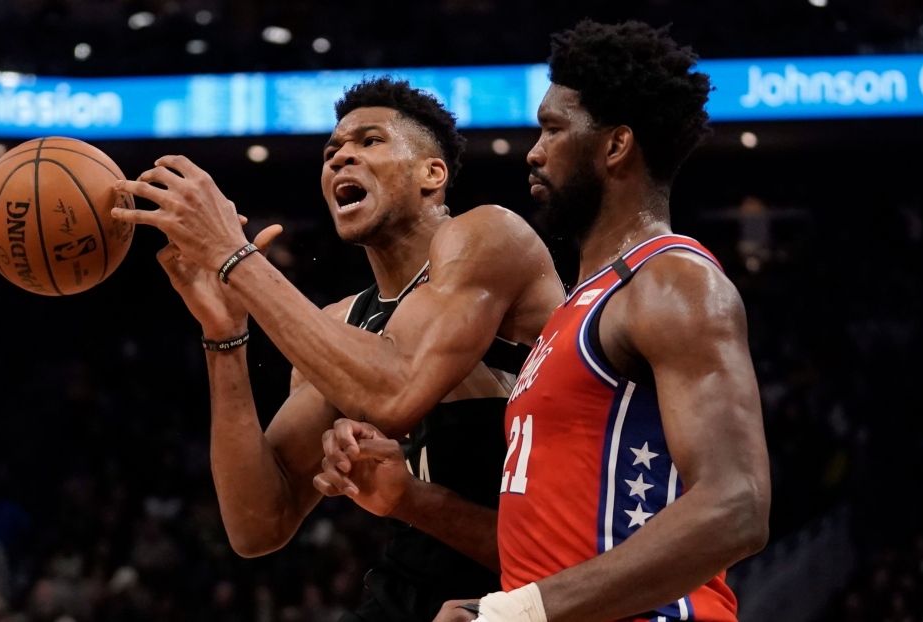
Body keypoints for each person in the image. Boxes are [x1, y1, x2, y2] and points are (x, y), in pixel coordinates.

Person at [314, 19, 771, 622]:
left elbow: (737, 505)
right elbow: (564, 541)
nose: (533, 151)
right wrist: (487, 598)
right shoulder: (577, 309)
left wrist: (521, 612)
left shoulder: (671, 279)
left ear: (615, 146)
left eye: (553, 129)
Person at [110, 78, 566, 622]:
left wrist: (235, 256)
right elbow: (259, 524)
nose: (341, 156)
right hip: (409, 590)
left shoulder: (492, 235)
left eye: (369, 141)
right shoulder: (340, 326)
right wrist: (223, 334)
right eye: (331, 152)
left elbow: (397, 392)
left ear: (432, 174)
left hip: (539, 593)